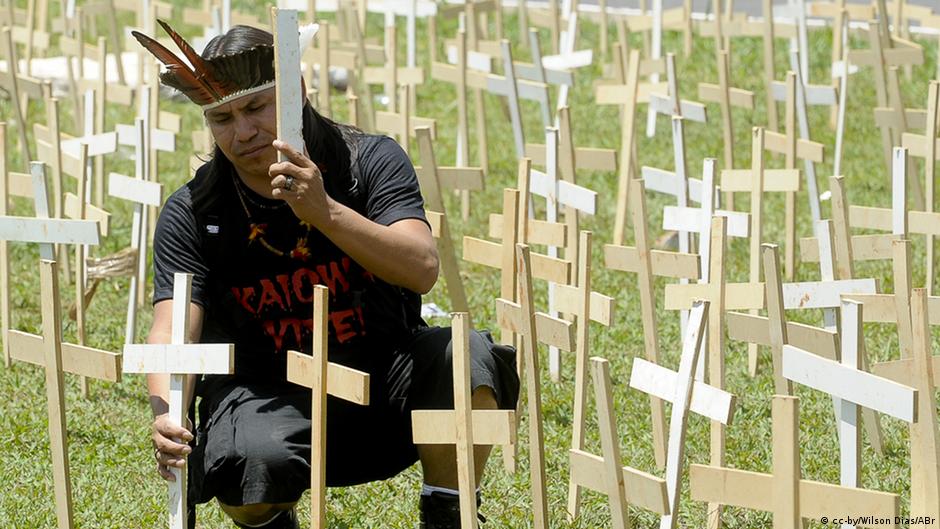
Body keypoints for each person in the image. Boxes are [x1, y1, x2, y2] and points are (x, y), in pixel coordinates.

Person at [134, 21, 520, 529]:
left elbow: (422, 268)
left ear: (296, 94)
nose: (243, 132)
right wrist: (168, 409)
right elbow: (172, 326)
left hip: (383, 381)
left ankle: (446, 508)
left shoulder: (367, 160)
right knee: (242, 460)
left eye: (256, 107)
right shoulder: (193, 209)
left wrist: (325, 212)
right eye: (222, 118)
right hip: (268, 393)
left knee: (465, 358)